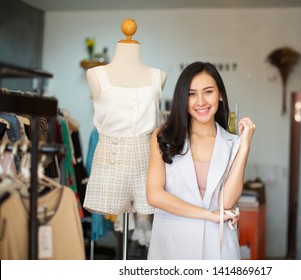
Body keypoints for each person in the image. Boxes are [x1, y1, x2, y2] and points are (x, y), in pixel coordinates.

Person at [146, 61, 256, 259]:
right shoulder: (163, 137)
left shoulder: (232, 143)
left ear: (220, 94)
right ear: (182, 98)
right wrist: (209, 215)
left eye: (208, 92)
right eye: (191, 94)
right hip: (173, 245)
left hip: (218, 247)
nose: (201, 102)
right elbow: (154, 195)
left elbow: (227, 201)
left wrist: (245, 146)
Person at [83, 19, 167, 216]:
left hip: (148, 158)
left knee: (147, 212)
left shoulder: (158, 76)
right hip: (109, 158)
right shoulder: (96, 74)